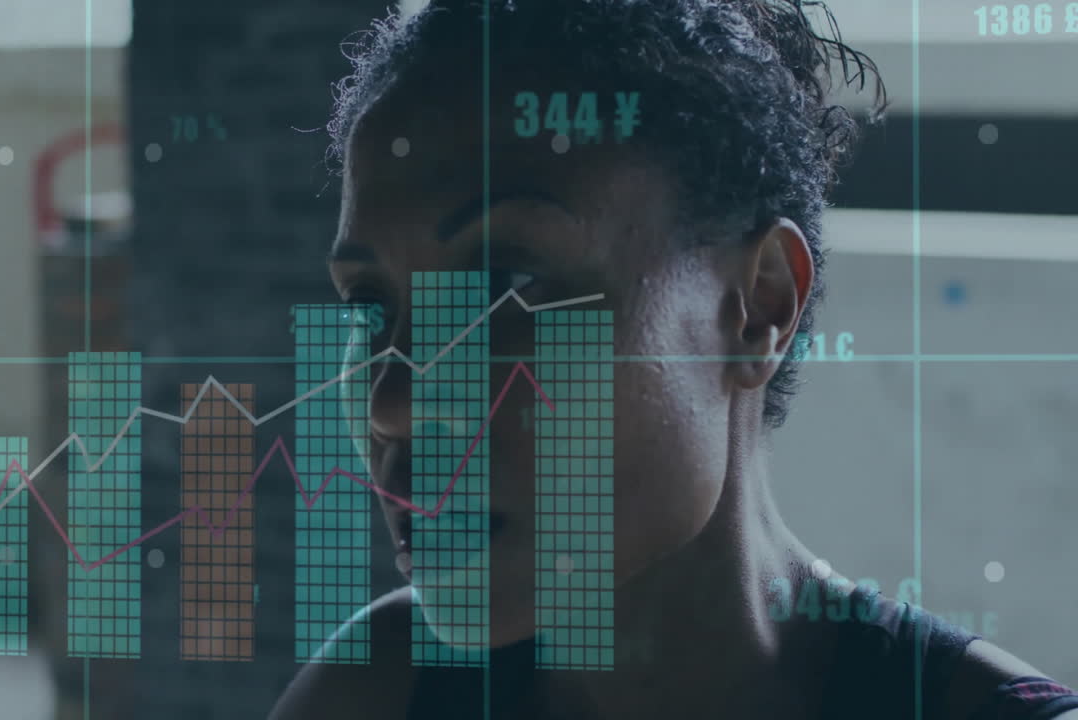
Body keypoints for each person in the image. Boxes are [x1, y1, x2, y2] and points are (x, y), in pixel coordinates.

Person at [270, 0, 1078, 717]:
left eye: (506, 286)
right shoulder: (379, 688)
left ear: (758, 307)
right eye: (369, 308)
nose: (392, 399)